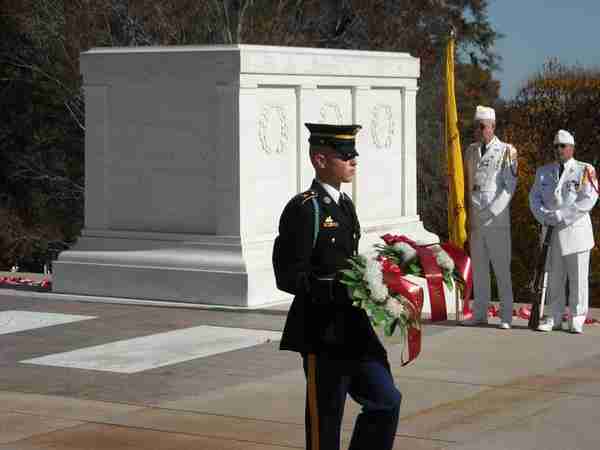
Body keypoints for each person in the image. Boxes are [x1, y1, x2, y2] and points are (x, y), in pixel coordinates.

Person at [275, 123, 401, 450]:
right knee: (325, 427)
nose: (353, 160)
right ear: (320, 159)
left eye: (353, 154)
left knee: (386, 400)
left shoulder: (345, 206)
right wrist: (336, 288)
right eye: (344, 155)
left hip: (354, 329)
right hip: (323, 332)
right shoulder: (305, 208)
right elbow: (288, 274)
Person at [529, 129, 598, 333]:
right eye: (556, 146)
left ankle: (577, 317)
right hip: (552, 233)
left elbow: (589, 198)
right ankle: (554, 316)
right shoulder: (543, 171)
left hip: (576, 232)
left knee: (578, 278)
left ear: (572, 148)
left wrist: (563, 215)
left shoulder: (585, 169)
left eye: (563, 146)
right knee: (555, 277)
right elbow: (534, 199)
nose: (558, 149)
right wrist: (544, 215)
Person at [463, 105, 518, 329]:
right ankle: (480, 313)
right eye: (476, 126)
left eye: (482, 126)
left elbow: (509, 186)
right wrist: (469, 214)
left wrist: (492, 211)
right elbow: (467, 187)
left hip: (496, 220)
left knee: (501, 269)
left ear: (493, 127)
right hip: (476, 219)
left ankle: (506, 315)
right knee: (480, 268)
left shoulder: (507, 150)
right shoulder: (470, 151)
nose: (478, 130)